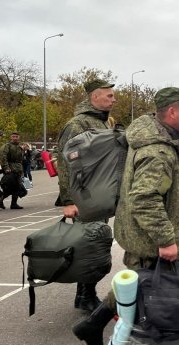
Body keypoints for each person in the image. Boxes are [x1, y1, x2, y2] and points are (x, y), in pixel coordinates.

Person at [72, 86, 179, 345]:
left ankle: (93, 325)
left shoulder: (162, 141)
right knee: (157, 290)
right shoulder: (157, 151)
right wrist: (165, 239)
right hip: (152, 239)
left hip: (144, 234)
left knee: (137, 284)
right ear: (172, 111)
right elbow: (144, 197)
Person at [56, 78, 116, 313]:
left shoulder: (106, 122)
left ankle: (84, 295)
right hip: (84, 196)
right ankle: (86, 296)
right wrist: (68, 200)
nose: (114, 99)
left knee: (95, 244)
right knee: (89, 246)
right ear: (94, 98)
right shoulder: (77, 124)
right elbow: (64, 162)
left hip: (99, 195)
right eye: (109, 95)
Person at [0, 132, 25, 209]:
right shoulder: (7, 146)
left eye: (16, 136)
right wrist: (6, 167)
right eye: (13, 136)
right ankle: (0, 199)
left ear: (19, 137)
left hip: (18, 169)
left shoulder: (20, 147)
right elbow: (4, 157)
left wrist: (21, 169)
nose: (15, 138)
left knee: (17, 187)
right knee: (9, 187)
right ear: (11, 137)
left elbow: (20, 160)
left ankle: (14, 204)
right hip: (10, 169)